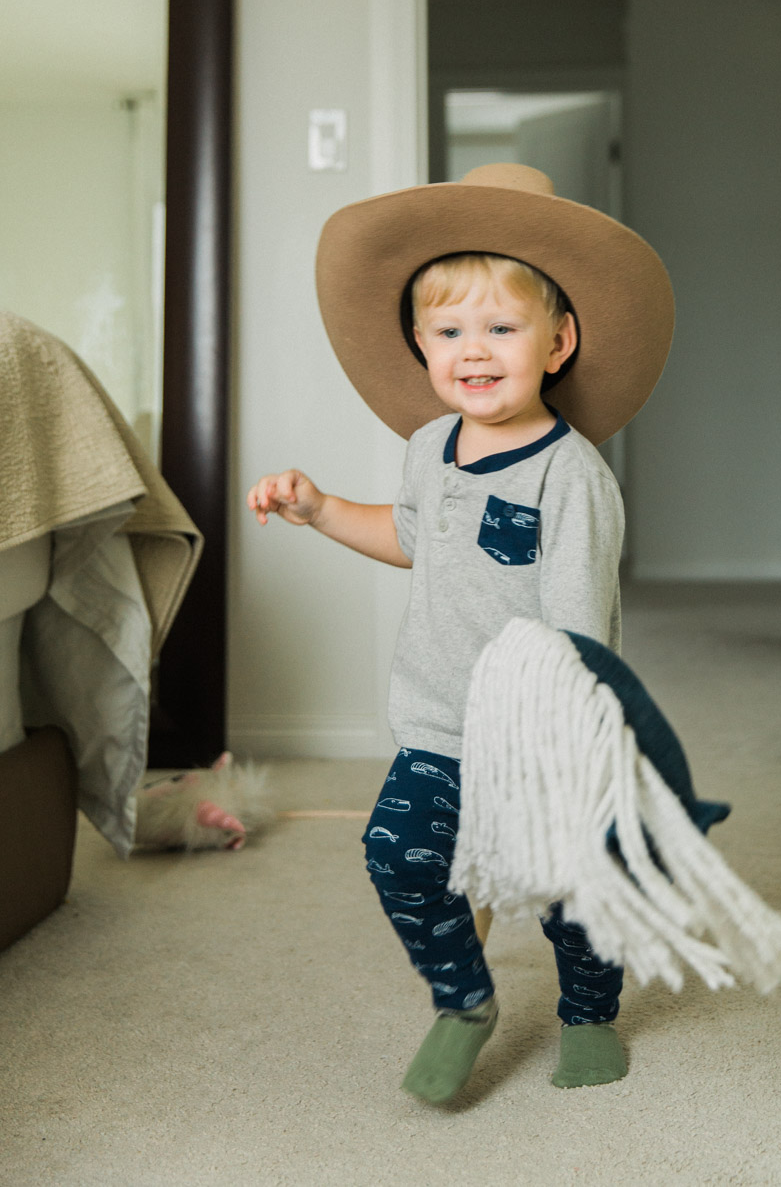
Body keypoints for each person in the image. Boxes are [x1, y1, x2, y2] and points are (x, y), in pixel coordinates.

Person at [247, 163, 674, 1103]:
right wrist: (319, 509)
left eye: (500, 328)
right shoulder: (427, 447)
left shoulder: (571, 479)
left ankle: (588, 1013)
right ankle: (463, 997)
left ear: (558, 341)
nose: (473, 352)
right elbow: (410, 538)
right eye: (449, 331)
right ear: (419, 342)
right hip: (441, 719)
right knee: (398, 856)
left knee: (572, 893)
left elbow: (579, 629)